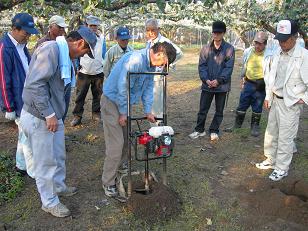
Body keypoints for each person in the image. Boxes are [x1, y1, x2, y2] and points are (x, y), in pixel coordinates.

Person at [20, 26, 97, 217]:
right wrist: (48, 114)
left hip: (53, 115)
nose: (84, 55)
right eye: (86, 51)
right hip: (40, 117)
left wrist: (55, 115)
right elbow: (35, 84)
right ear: (80, 43)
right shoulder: (51, 50)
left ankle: (59, 186)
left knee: (58, 155)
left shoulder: (65, 56)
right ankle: (49, 201)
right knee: (44, 162)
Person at [101, 42, 176, 197]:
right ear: (159, 54)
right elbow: (123, 86)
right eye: (165, 62)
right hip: (112, 101)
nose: (163, 66)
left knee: (127, 140)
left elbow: (148, 87)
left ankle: (120, 167)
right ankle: (108, 182)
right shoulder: (135, 60)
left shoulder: (150, 65)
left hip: (124, 103)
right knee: (116, 144)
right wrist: (123, 112)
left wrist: (148, 110)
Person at [255, 20, 308, 181]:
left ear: (295, 37)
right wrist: (268, 96)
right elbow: (271, 77)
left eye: (285, 40)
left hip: (291, 103)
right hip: (276, 100)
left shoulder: (304, 56)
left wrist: (303, 98)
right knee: (271, 132)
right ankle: (271, 160)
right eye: (279, 40)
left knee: (286, 137)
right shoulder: (277, 52)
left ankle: (282, 168)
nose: (282, 43)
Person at [0, 13, 38, 178]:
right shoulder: (5, 48)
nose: (28, 36)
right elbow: (2, 79)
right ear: (15, 29)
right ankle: (33, 171)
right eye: (26, 33)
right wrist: (8, 106)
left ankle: (21, 166)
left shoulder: (21, 46)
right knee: (29, 136)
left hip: (26, 98)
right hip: (17, 100)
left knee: (24, 133)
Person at [189, 21, 235, 141]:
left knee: (219, 110)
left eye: (219, 33)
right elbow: (202, 66)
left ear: (223, 33)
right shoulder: (205, 49)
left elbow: (228, 68)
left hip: (222, 86)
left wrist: (219, 80)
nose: (216, 35)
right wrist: (206, 80)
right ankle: (199, 130)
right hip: (207, 85)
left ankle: (214, 130)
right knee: (203, 109)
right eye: (214, 32)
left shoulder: (229, 49)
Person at [225, 31, 272, 137]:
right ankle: (237, 125)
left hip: (261, 85)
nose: (257, 45)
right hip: (248, 83)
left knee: (257, 106)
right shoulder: (248, 51)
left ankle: (255, 127)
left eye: (260, 43)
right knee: (242, 104)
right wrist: (243, 79)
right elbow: (244, 66)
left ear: (265, 44)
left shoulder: (270, 55)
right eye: (256, 43)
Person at [34, 15, 72, 121]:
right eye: (59, 28)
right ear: (51, 27)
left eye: (63, 28)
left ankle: (60, 129)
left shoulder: (64, 42)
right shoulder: (42, 43)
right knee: (51, 109)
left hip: (63, 81)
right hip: (49, 84)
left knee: (62, 107)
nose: (62, 30)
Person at [145, 18, 183, 121]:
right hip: (149, 76)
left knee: (157, 106)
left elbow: (179, 53)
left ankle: (158, 129)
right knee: (150, 105)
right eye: (148, 30)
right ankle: (154, 129)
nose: (150, 32)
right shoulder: (149, 42)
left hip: (158, 78)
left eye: (153, 30)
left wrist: (167, 64)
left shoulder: (164, 41)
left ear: (158, 29)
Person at [71, 15, 105, 126]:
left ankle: (96, 113)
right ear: (87, 26)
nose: (93, 28)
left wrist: (103, 65)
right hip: (84, 71)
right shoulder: (82, 38)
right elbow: (75, 54)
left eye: (95, 26)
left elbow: (103, 53)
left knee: (98, 94)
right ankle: (77, 115)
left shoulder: (101, 38)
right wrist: (77, 67)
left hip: (98, 71)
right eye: (91, 26)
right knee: (80, 95)